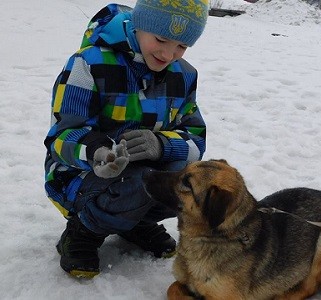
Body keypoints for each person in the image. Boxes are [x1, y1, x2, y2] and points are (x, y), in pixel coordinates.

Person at [44, 0, 208, 278]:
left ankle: (135, 223)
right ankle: (83, 230)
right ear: (140, 23)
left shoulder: (184, 75)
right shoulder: (89, 64)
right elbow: (61, 136)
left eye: (181, 46)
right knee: (137, 184)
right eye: (161, 39)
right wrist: (96, 152)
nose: (169, 54)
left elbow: (195, 139)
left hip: (141, 175)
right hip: (80, 176)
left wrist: (161, 145)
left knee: (190, 185)